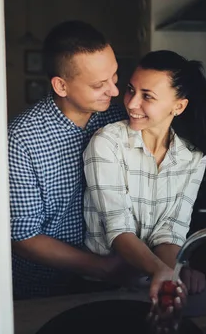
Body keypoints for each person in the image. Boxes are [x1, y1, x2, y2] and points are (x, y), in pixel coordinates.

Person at [8, 20, 128, 299]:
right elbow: (23, 237)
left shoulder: (117, 117)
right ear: (61, 86)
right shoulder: (21, 140)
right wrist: (103, 268)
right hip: (42, 289)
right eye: (99, 84)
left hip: (113, 283)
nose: (114, 91)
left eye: (114, 76)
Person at [83, 50, 206, 306]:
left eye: (147, 96)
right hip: (101, 286)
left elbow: (171, 231)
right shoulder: (106, 142)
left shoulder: (194, 158)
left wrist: (168, 276)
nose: (130, 103)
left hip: (151, 281)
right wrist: (162, 272)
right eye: (131, 89)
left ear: (179, 106)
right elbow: (118, 228)